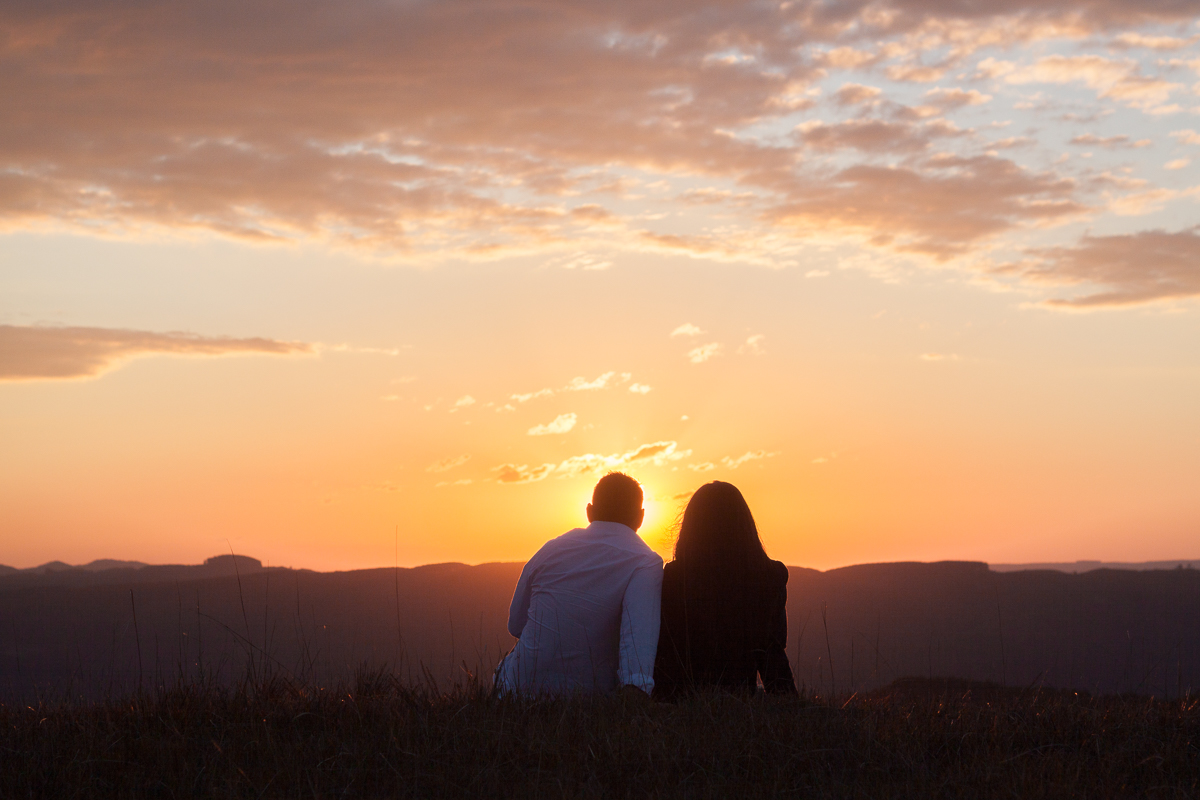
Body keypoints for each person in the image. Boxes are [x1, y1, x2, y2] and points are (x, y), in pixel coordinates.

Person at [494, 472, 664, 695]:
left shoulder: (549, 550)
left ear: (589, 512)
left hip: (512, 691)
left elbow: (515, 625)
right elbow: (637, 649)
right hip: (588, 698)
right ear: (641, 517)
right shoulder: (645, 562)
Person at [653, 481, 797, 699]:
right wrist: (789, 704)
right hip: (741, 696)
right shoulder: (769, 576)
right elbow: (772, 654)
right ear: (744, 524)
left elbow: (667, 653)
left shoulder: (673, 578)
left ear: (691, 527)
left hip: (682, 698)